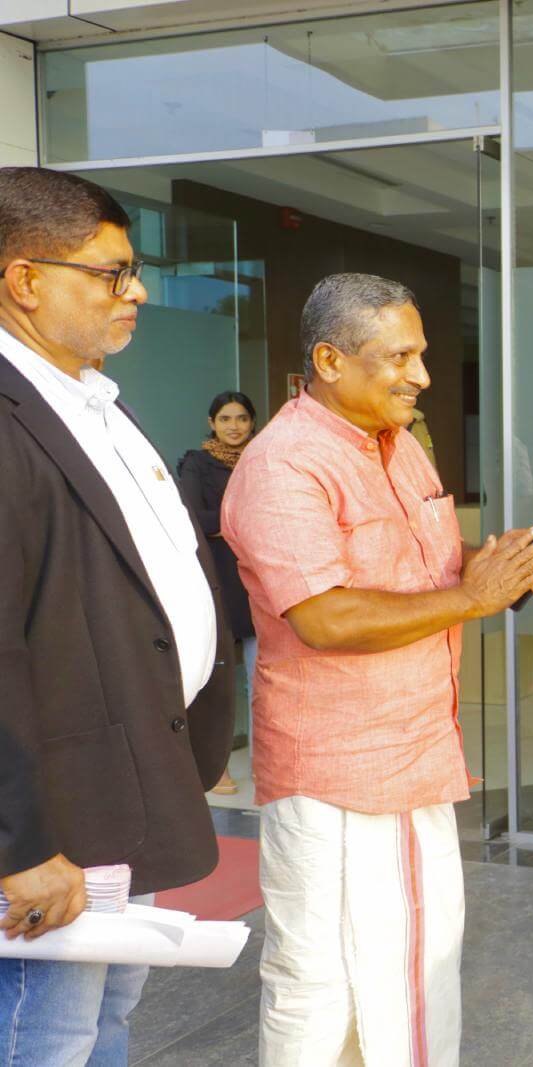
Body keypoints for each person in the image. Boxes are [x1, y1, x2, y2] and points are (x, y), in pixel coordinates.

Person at [222, 273, 533, 1067]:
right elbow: (325, 615)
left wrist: (498, 567)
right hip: (339, 771)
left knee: (415, 966)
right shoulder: (285, 464)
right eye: (401, 356)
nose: (423, 375)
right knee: (321, 980)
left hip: (415, 754)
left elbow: (429, 568)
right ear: (330, 360)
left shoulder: (402, 444)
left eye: (422, 354)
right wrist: (475, 598)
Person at [0, 166, 233, 1064]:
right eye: (111, 272)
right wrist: (18, 845)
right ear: (24, 279)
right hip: (54, 829)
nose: (135, 292)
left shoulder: (90, 396)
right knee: (42, 1041)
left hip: (125, 787)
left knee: (104, 1032)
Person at [178, 390, 259, 797]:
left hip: (259, 581)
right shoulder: (196, 464)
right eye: (225, 418)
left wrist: (224, 522)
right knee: (220, 684)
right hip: (216, 582)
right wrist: (245, 519)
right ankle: (218, 769)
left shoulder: (264, 460)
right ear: (212, 423)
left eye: (241, 418)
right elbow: (192, 517)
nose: (234, 426)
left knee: (264, 683)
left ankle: (268, 767)